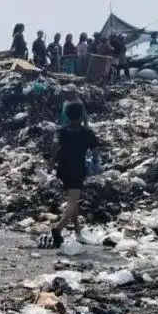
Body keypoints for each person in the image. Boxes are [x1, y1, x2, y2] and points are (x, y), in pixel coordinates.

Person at [49, 101, 101, 248]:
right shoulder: (87, 132)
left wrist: (51, 164)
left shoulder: (61, 131)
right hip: (78, 169)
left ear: (66, 115)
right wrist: (96, 164)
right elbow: (95, 152)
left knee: (73, 200)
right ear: (82, 115)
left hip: (63, 169)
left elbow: (54, 146)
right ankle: (58, 229)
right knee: (72, 201)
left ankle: (77, 230)